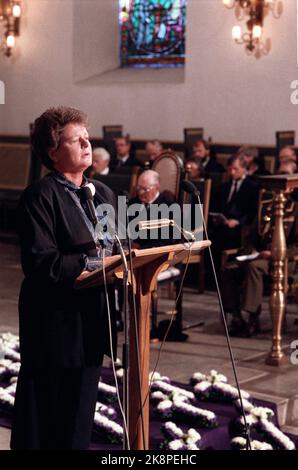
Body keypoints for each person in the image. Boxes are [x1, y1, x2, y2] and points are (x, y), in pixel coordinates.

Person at [10, 106, 117, 450]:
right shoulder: (40, 196)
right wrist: (94, 260)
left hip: (92, 322)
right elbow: (42, 263)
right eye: (77, 139)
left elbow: (116, 243)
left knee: (78, 421)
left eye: (88, 137)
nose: (88, 144)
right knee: (47, 420)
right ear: (53, 152)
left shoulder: (103, 193)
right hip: (54, 327)